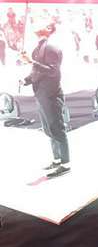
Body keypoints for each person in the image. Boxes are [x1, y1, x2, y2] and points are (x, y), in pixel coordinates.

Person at [20, 20, 71, 178]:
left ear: (49, 29)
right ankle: (57, 160)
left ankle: (65, 164)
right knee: (49, 129)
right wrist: (26, 80)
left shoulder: (51, 48)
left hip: (51, 95)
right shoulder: (38, 49)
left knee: (57, 128)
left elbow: (53, 72)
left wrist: (31, 62)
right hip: (42, 95)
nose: (36, 22)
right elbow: (37, 72)